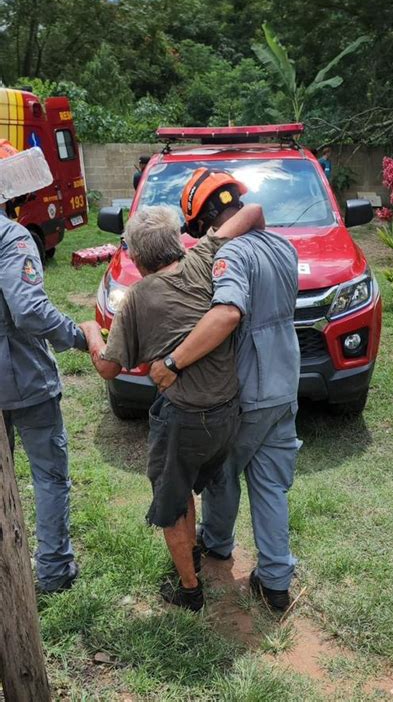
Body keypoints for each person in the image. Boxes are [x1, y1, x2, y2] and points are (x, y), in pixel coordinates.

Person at [81, 185, 264, 612]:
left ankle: (188, 590)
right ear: (178, 241)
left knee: (174, 501)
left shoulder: (137, 299)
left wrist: (92, 331)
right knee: (200, 482)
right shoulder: (204, 257)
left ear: (138, 258)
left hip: (186, 418)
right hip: (227, 411)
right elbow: (252, 209)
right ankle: (201, 551)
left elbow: (109, 367)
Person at [150, 168, 301, 611]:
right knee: (271, 485)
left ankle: (216, 544)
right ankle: (275, 583)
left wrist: (173, 362)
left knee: (221, 474)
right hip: (283, 384)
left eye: (199, 229)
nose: (203, 238)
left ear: (209, 217)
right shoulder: (280, 245)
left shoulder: (230, 255)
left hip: (248, 389)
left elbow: (228, 315)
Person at [0, 144, 89, 594]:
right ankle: (53, 571)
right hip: (25, 379)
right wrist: (78, 334)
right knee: (49, 477)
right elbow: (31, 312)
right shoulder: (13, 238)